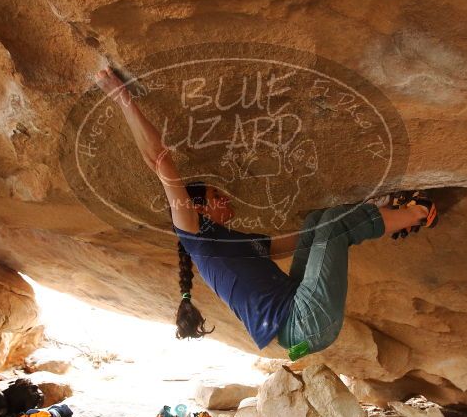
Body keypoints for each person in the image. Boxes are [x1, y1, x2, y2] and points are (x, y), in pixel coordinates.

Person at [94, 66, 438, 360]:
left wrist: (368, 211)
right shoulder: (195, 235)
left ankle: (391, 216)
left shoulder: (233, 243)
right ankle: (419, 212)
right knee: (333, 231)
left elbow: (302, 239)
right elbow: (159, 160)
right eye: (216, 196)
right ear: (196, 207)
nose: (227, 200)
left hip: (302, 325)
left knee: (319, 223)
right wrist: (122, 98)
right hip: (304, 321)